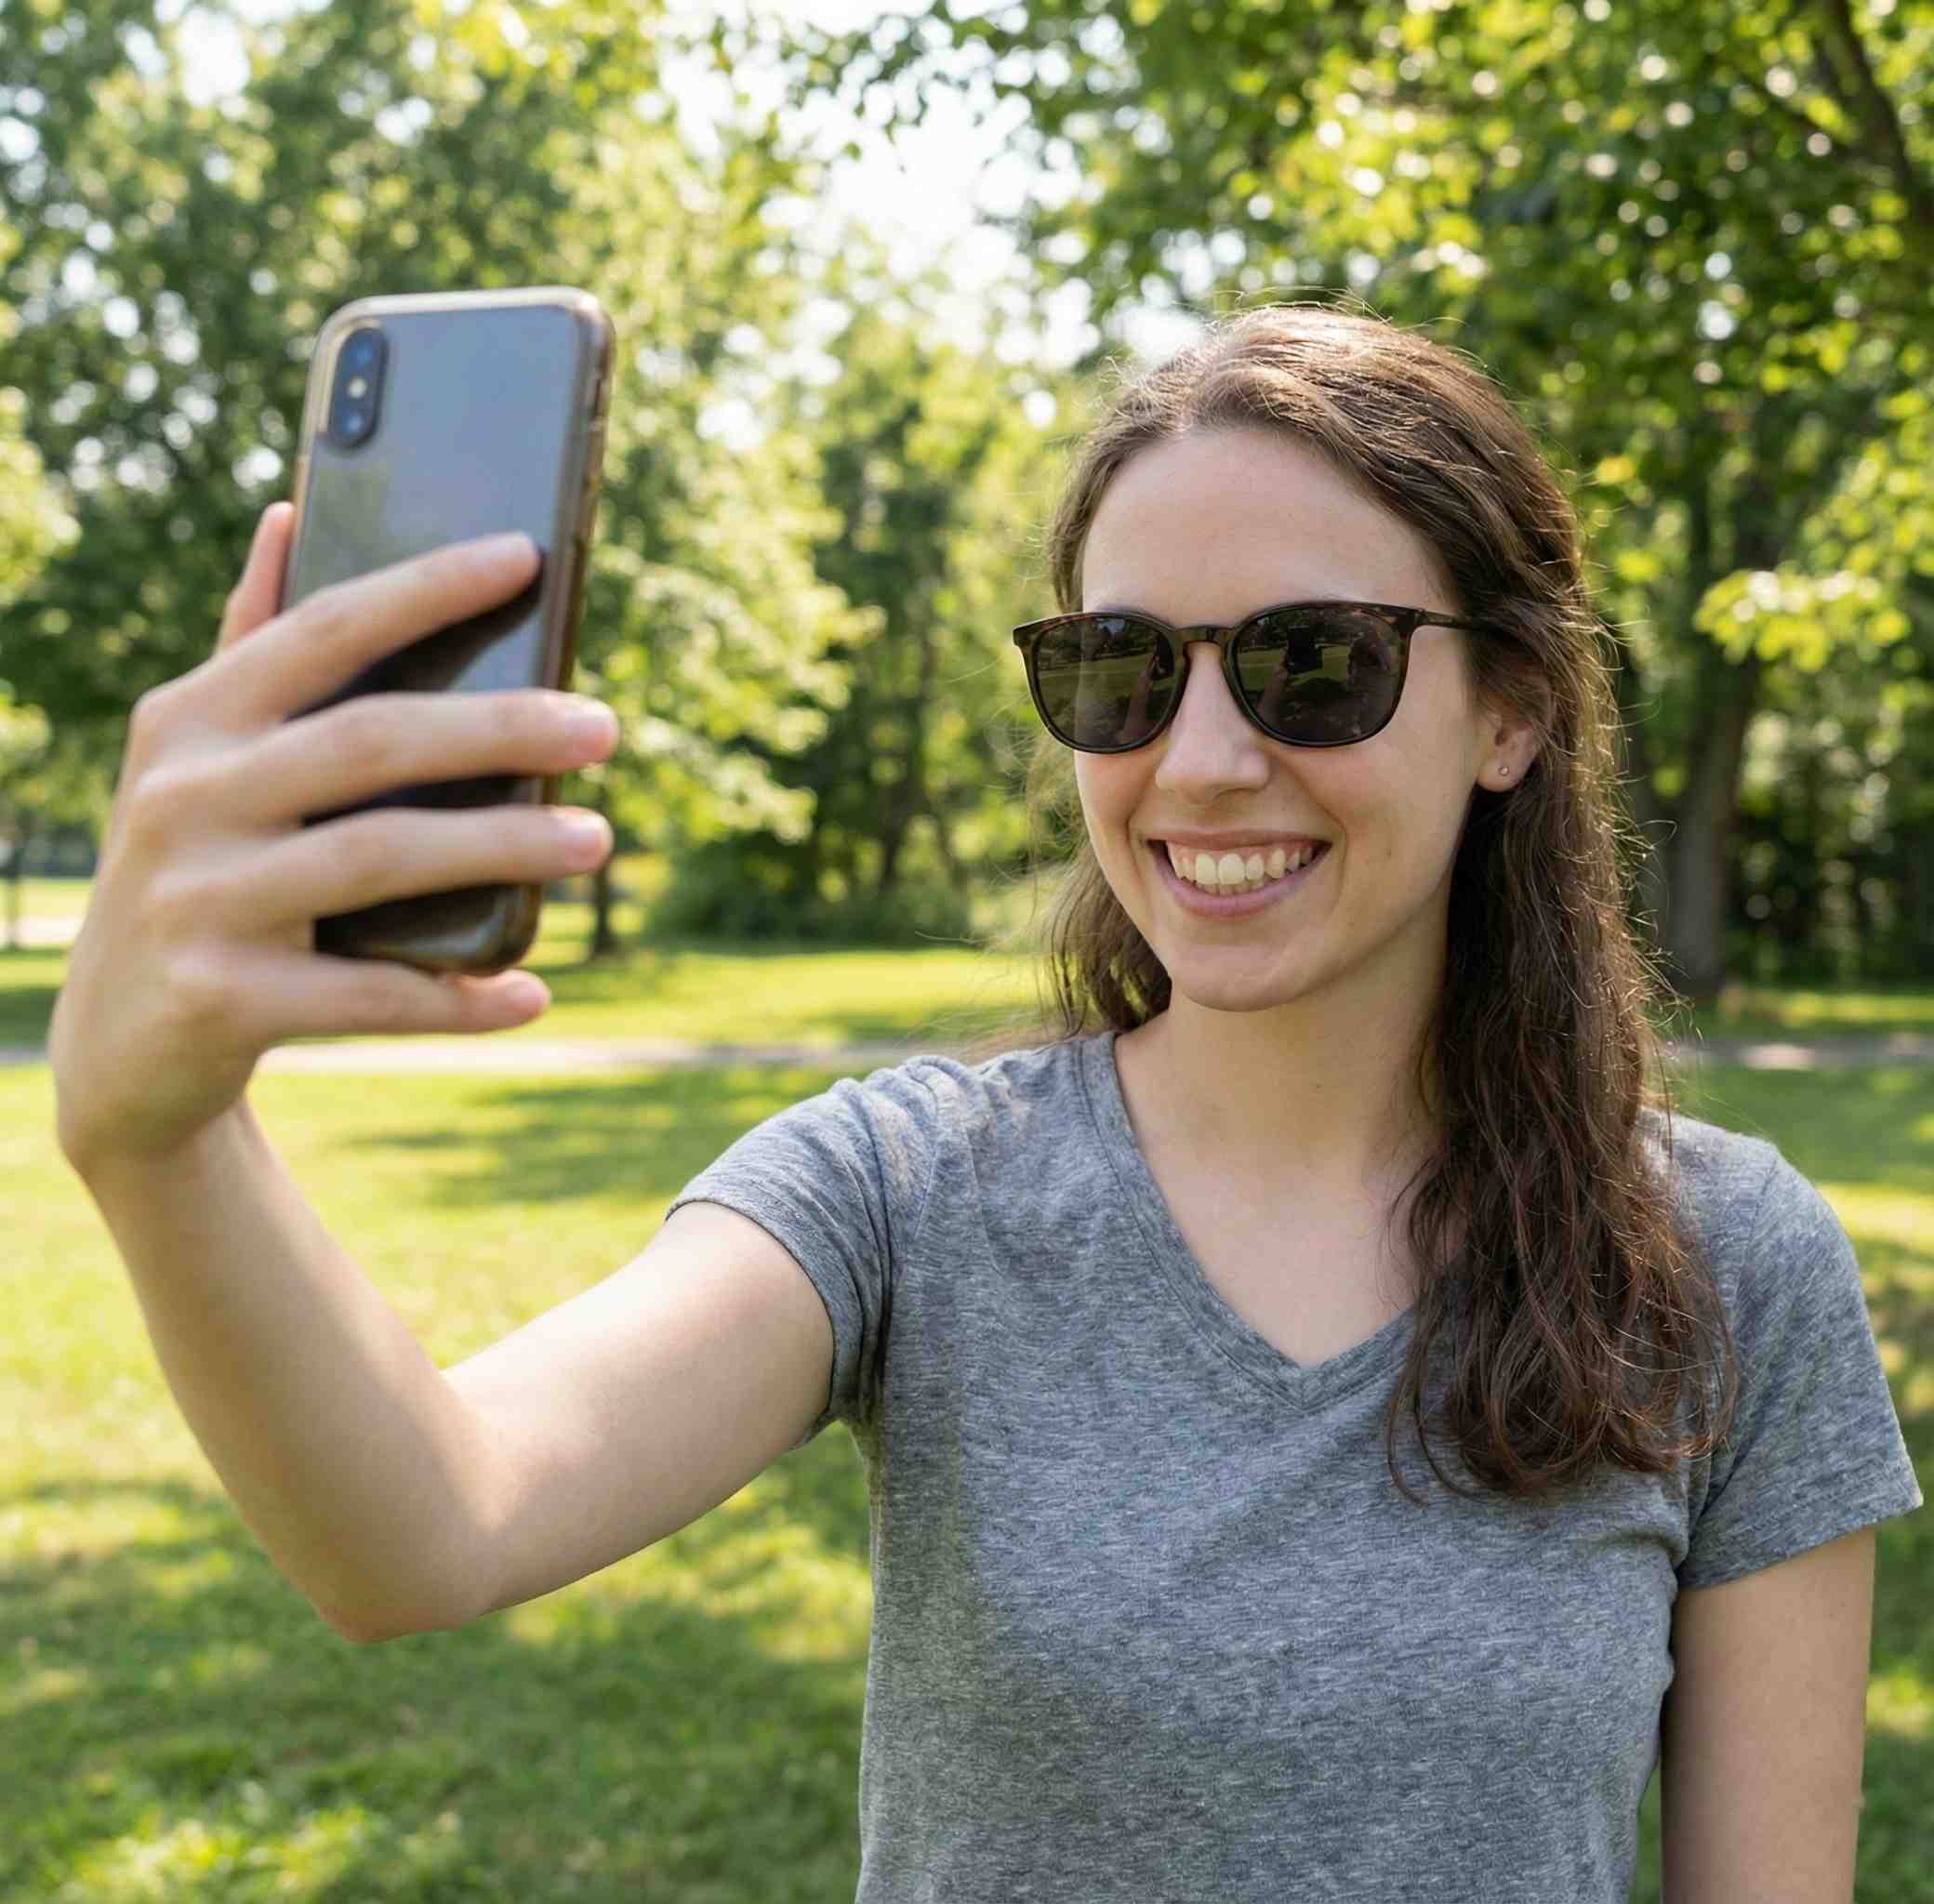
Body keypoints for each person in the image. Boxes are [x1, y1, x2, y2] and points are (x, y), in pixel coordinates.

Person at [52, 301, 1921, 1902]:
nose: (1197, 762)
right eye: (1118, 670)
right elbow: (420, 1526)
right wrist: (159, 1137)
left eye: (1309, 665)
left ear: (1507, 708)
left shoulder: (1724, 1260)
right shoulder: (903, 1190)